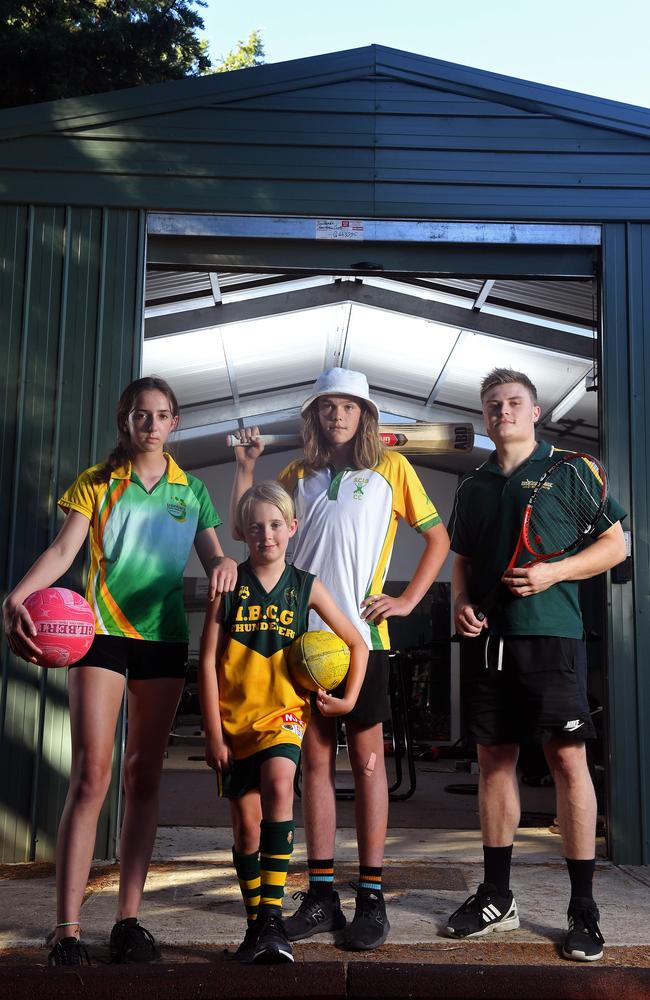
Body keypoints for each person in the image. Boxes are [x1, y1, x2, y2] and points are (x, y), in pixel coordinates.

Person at [2, 376, 237, 967]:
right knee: (92, 776)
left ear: (175, 423)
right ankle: (67, 930)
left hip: (164, 641)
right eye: (140, 415)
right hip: (101, 635)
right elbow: (63, 553)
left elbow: (213, 556)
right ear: (125, 423)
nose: (151, 424)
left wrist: (226, 562)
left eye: (161, 415)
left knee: (145, 779)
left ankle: (129, 921)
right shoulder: (97, 483)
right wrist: (18, 596)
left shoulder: (194, 491)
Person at [230, 367, 450, 950]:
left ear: (365, 414)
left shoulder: (392, 470)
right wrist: (247, 468)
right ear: (315, 415)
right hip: (299, 643)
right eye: (328, 407)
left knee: (371, 765)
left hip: (361, 641)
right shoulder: (296, 474)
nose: (337, 416)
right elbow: (246, 525)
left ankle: (371, 896)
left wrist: (405, 600)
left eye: (348, 407)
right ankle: (322, 894)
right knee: (316, 769)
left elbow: (439, 540)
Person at [445, 367, 627, 962]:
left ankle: (583, 909)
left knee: (568, 760)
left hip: (553, 638)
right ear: (484, 415)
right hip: (490, 641)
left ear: (535, 411)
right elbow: (463, 563)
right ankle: (497, 895)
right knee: (494, 761)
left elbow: (615, 545)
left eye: (514, 402)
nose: (503, 412)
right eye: (493, 404)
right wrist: (462, 606)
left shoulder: (569, 470)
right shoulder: (471, 486)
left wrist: (553, 571)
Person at [199, 481, 368, 964]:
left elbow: (357, 644)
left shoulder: (306, 585)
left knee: (279, 784)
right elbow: (209, 662)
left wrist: (348, 698)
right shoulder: (226, 586)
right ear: (242, 533)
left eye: (276, 525)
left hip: (284, 715)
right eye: (256, 527)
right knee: (246, 829)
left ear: (292, 528)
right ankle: (258, 927)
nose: (266, 534)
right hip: (234, 721)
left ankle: (272, 918)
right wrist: (212, 732)